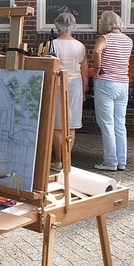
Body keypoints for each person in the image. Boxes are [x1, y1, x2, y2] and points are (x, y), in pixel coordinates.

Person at [44, 12, 89, 172]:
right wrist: (83, 91)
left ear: (57, 26)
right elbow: (84, 72)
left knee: (57, 125)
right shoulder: (80, 46)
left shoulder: (50, 45)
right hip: (75, 83)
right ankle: (67, 159)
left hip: (56, 83)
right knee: (72, 124)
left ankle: (58, 161)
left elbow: (45, 68)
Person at [93, 11, 133, 171]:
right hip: (123, 83)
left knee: (107, 123)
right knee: (120, 124)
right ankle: (121, 161)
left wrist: (97, 68)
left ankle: (110, 161)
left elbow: (97, 51)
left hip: (106, 83)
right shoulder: (128, 40)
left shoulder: (104, 38)